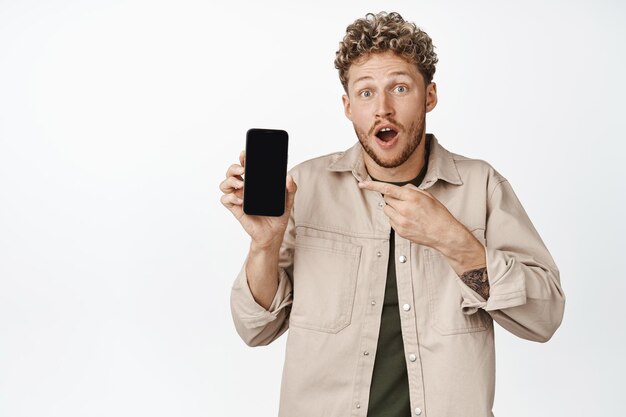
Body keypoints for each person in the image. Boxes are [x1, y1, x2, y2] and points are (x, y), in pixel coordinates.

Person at [220, 11, 565, 417]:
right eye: (366, 93)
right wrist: (265, 244)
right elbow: (255, 329)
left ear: (430, 96)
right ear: (348, 106)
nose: (382, 108)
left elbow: (544, 317)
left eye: (400, 87)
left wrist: (454, 241)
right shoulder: (305, 187)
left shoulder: (481, 186)